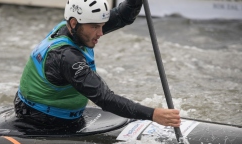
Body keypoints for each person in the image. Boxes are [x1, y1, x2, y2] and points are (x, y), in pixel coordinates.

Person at [14, 0, 181, 130]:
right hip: (41, 119)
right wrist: (153, 114)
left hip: (48, 108)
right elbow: (105, 98)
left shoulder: (77, 29)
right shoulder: (66, 57)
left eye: (102, 26)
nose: (101, 33)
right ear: (74, 23)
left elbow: (123, 16)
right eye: (95, 27)